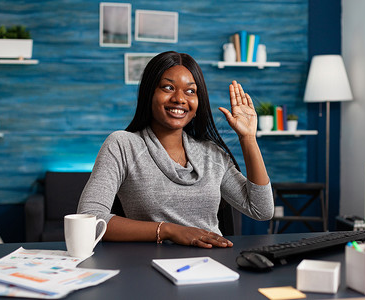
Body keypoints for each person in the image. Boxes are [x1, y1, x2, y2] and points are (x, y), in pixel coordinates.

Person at [77, 51, 274, 248]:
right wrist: (169, 230)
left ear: (198, 101)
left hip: (213, 265)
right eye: (168, 87)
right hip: (148, 267)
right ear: (149, 94)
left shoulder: (212, 154)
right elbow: (89, 219)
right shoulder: (122, 145)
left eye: (190, 91)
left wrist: (248, 138)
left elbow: (262, 210)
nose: (180, 98)